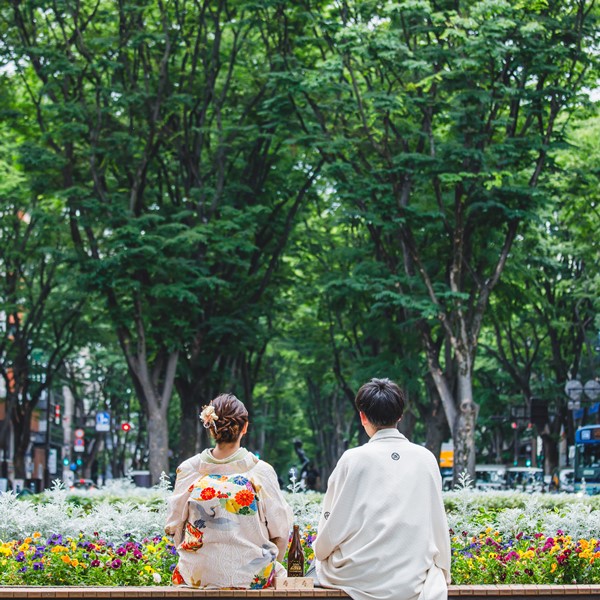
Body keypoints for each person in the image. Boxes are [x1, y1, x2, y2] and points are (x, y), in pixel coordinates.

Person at [311, 378, 451, 600]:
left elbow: (331, 525)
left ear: (362, 416)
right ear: (399, 416)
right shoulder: (426, 458)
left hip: (354, 575)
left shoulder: (352, 459)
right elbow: (437, 521)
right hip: (411, 578)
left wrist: (320, 551)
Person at [165, 393, 293, 589]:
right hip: (251, 580)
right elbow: (281, 533)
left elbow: (174, 528)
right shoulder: (260, 471)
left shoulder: (189, 470)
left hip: (196, 579)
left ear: (210, 427)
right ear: (245, 427)